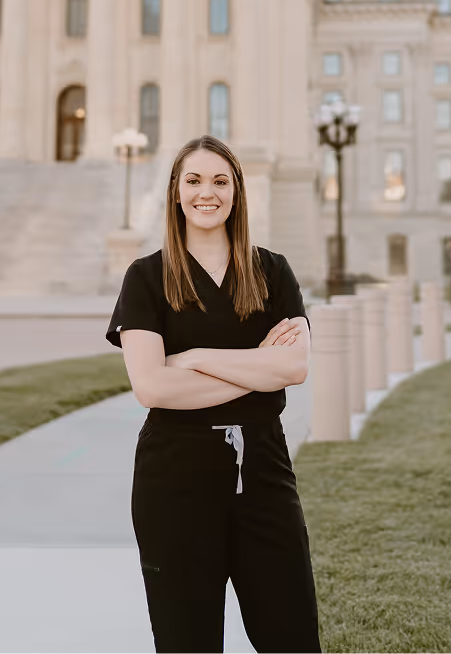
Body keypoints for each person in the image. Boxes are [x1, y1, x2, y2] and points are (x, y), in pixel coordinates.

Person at [106, 134, 322, 654]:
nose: (208, 193)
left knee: (291, 636)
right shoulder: (147, 277)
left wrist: (195, 358)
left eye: (221, 181)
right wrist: (255, 367)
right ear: (176, 193)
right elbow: (152, 386)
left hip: (264, 472)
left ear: (237, 192)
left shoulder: (272, 271)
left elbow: (293, 365)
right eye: (195, 180)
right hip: (173, 482)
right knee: (189, 643)